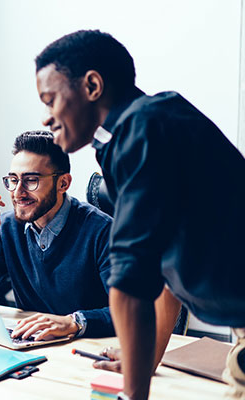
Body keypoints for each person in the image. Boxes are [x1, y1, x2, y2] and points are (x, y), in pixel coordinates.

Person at [35, 29, 245, 400]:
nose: (47, 119)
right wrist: (145, 362)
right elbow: (161, 269)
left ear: (93, 85)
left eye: (51, 100)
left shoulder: (143, 130)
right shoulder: (136, 132)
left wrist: (133, 395)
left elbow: (129, 283)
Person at [0, 131, 114, 339]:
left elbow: (131, 311)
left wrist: (74, 322)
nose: (18, 192)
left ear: (63, 183)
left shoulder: (102, 232)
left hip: (88, 348)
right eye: (13, 180)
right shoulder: (9, 228)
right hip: (30, 343)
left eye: (31, 180)